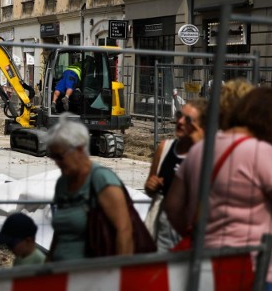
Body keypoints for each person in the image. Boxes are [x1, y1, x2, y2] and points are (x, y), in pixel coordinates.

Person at [165, 88, 272, 289]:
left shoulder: (201, 148)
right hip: (249, 268)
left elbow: (172, 206)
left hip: (204, 261)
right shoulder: (261, 153)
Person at [47, 113, 133, 261]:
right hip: (60, 273)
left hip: (91, 276)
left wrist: (117, 275)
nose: (56, 162)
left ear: (79, 150)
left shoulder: (102, 180)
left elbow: (124, 231)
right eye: (52, 156)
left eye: (60, 156)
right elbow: (59, 235)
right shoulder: (63, 183)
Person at [144, 98, 207, 251]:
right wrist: (151, 186)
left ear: (202, 127)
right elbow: (149, 188)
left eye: (188, 119)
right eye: (179, 115)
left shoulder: (208, 155)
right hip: (164, 228)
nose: (180, 121)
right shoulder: (165, 147)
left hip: (193, 229)